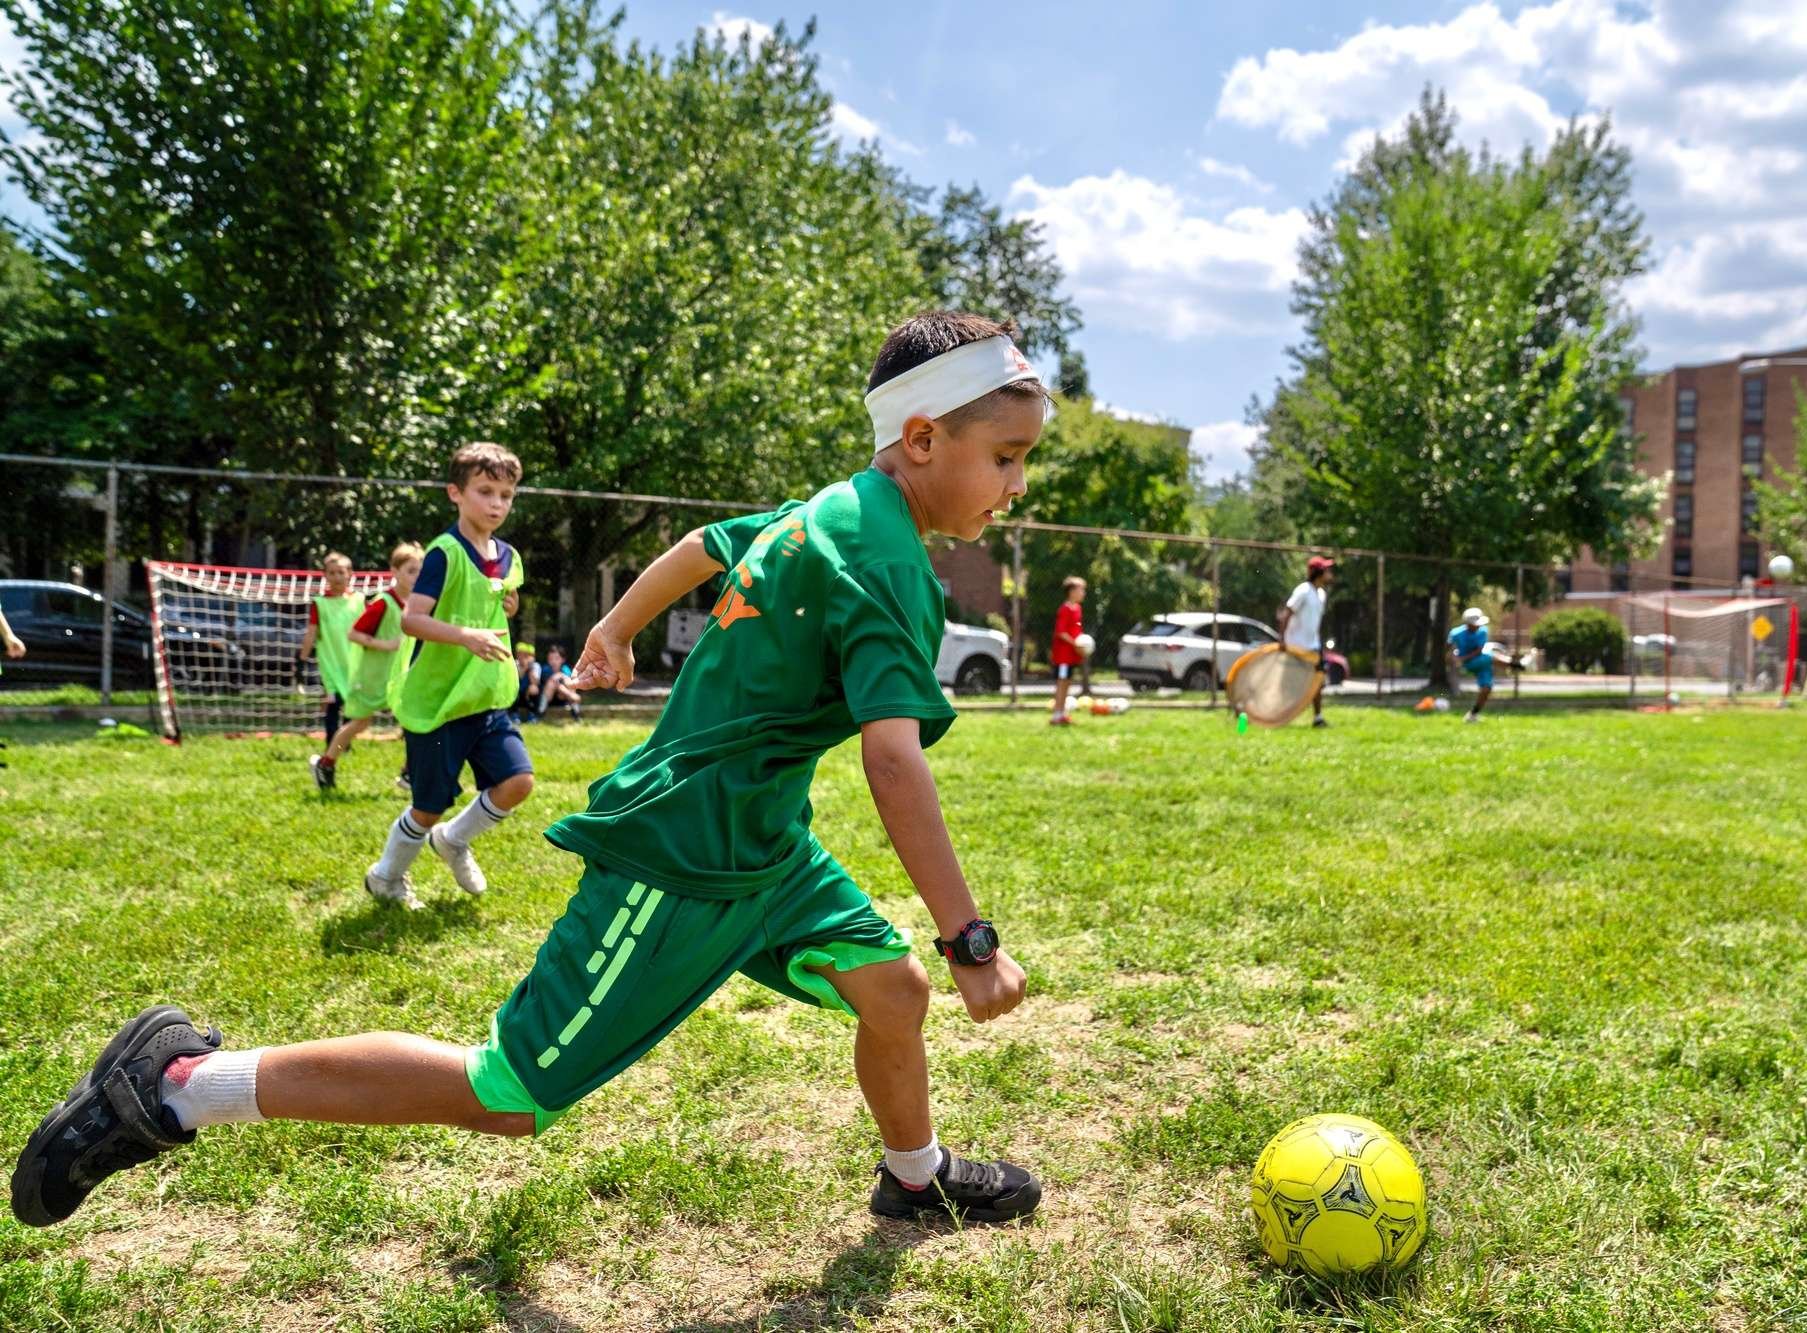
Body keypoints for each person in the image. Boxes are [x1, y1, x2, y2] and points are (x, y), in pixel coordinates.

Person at [10, 310, 1045, 1234]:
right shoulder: (888, 565)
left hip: (761, 841)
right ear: (920, 438)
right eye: (1004, 457)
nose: (1015, 485)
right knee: (510, 1093)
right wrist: (969, 936)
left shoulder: (826, 510)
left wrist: (610, 625)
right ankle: (184, 1081)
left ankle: (913, 1179)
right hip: (683, 855)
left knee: (890, 992)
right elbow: (891, 759)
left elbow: (701, 544)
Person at [362, 441, 536, 909]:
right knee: (427, 805)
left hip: (485, 698)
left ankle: (453, 840)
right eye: (485, 491)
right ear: (455, 494)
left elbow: (502, 599)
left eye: (506, 494)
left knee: (517, 782)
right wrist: (466, 635)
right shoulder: (443, 553)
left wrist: (508, 606)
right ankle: (385, 877)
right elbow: (412, 620)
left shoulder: (508, 556)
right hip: (438, 703)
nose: (497, 503)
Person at [309, 543, 424, 792]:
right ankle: (326, 763)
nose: (418, 576)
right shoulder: (383, 603)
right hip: (372, 677)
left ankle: (410, 773)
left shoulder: (418, 603)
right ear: (394, 571)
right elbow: (354, 634)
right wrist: (388, 644)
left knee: (416, 722)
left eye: (421, 571)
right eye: (411, 570)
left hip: (400, 677)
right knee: (359, 724)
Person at [298, 552, 363, 751]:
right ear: (325, 576)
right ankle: (330, 744)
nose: (336, 577)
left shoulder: (359, 600)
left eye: (340, 572)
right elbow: (311, 633)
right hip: (331, 667)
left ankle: (345, 744)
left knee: (352, 707)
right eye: (332, 573)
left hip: (354, 664)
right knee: (333, 706)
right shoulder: (320, 603)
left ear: (350, 574)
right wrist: (301, 659)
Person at [1278, 556, 1335, 728]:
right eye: (1326, 570)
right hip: (1296, 646)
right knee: (1289, 684)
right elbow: (1287, 613)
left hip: (1313, 646)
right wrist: (1282, 640)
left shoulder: (1321, 594)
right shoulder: (1303, 590)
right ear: (1318, 573)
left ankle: (1318, 718)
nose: (1330, 573)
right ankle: (1279, 715)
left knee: (1318, 681)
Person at [1049, 576, 1087, 725]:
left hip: (1072, 655)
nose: (1083, 593)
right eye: (1080, 589)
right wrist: (1075, 644)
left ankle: (1062, 713)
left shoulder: (1077, 608)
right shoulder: (1065, 609)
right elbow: (1061, 632)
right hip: (1063, 656)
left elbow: (1076, 631)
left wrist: (1082, 646)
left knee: (1068, 682)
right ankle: (1056, 715)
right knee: (1062, 682)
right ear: (1071, 591)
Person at [1449, 607, 1495, 723]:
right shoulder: (1456, 633)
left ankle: (1473, 714)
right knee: (1490, 656)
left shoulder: (1483, 631)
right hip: (1469, 664)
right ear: (1467, 623)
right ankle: (1516, 665)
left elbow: (1478, 651)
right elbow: (1448, 650)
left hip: (1481, 662)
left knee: (1486, 689)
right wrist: (1453, 658)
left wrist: (1461, 658)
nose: (1478, 626)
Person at [536, 644, 583, 722]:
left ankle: (576, 713)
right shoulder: (546, 669)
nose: (553, 661)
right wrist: (570, 694)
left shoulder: (565, 669)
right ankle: (540, 713)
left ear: (563, 660)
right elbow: (553, 683)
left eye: (556, 658)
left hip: (562, 698)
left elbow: (569, 681)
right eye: (550, 659)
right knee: (552, 682)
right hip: (548, 699)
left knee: (568, 682)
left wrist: (562, 678)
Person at [512, 641, 541, 720]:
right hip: (517, 694)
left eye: (525, 655)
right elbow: (518, 677)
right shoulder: (514, 664)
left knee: (534, 689)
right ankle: (514, 714)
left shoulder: (536, 666)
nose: (522, 657)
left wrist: (530, 667)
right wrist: (525, 668)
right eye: (520, 654)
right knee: (513, 689)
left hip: (527, 694)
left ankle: (532, 714)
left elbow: (535, 682)